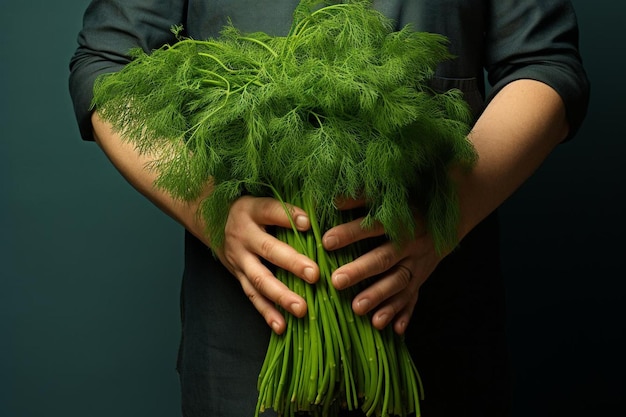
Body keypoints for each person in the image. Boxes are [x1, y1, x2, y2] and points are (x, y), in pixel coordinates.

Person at [69, 1, 589, 416]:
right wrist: (207, 206)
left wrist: (446, 208)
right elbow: (107, 65)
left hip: (441, 330)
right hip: (241, 348)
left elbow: (543, 62)